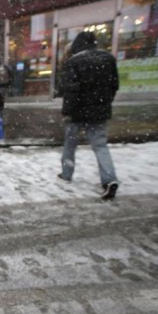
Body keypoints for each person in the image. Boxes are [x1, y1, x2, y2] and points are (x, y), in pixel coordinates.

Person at [58, 31, 119, 200]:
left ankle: (66, 174)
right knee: (100, 146)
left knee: (70, 145)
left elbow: (71, 91)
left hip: (77, 112)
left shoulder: (74, 61)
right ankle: (109, 179)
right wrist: (104, 104)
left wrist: (67, 112)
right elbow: (114, 85)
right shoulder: (108, 59)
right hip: (99, 112)